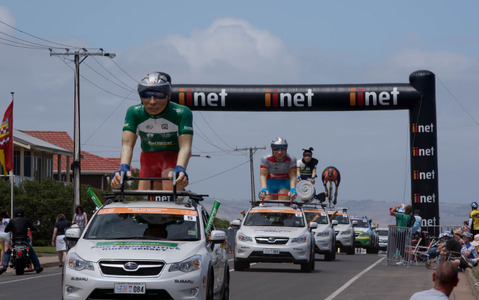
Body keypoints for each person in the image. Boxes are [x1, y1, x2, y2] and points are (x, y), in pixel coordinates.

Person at [110, 71, 193, 191]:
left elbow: (185, 146)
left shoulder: (182, 113)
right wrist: (123, 166)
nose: (152, 101)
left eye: (159, 95)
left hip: (171, 157)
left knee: (171, 188)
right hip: (148, 159)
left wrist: (180, 167)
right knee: (145, 199)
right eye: (146, 95)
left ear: (169, 95)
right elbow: (127, 145)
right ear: (140, 96)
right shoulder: (134, 112)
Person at [0, 207, 43, 274]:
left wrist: (12, 229)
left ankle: (5, 266)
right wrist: (36, 229)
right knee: (32, 252)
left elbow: (6, 230)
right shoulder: (26, 220)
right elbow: (33, 227)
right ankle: (37, 267)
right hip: (24, 241)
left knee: (7, 252)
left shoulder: (12, 221)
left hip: (15, 241)